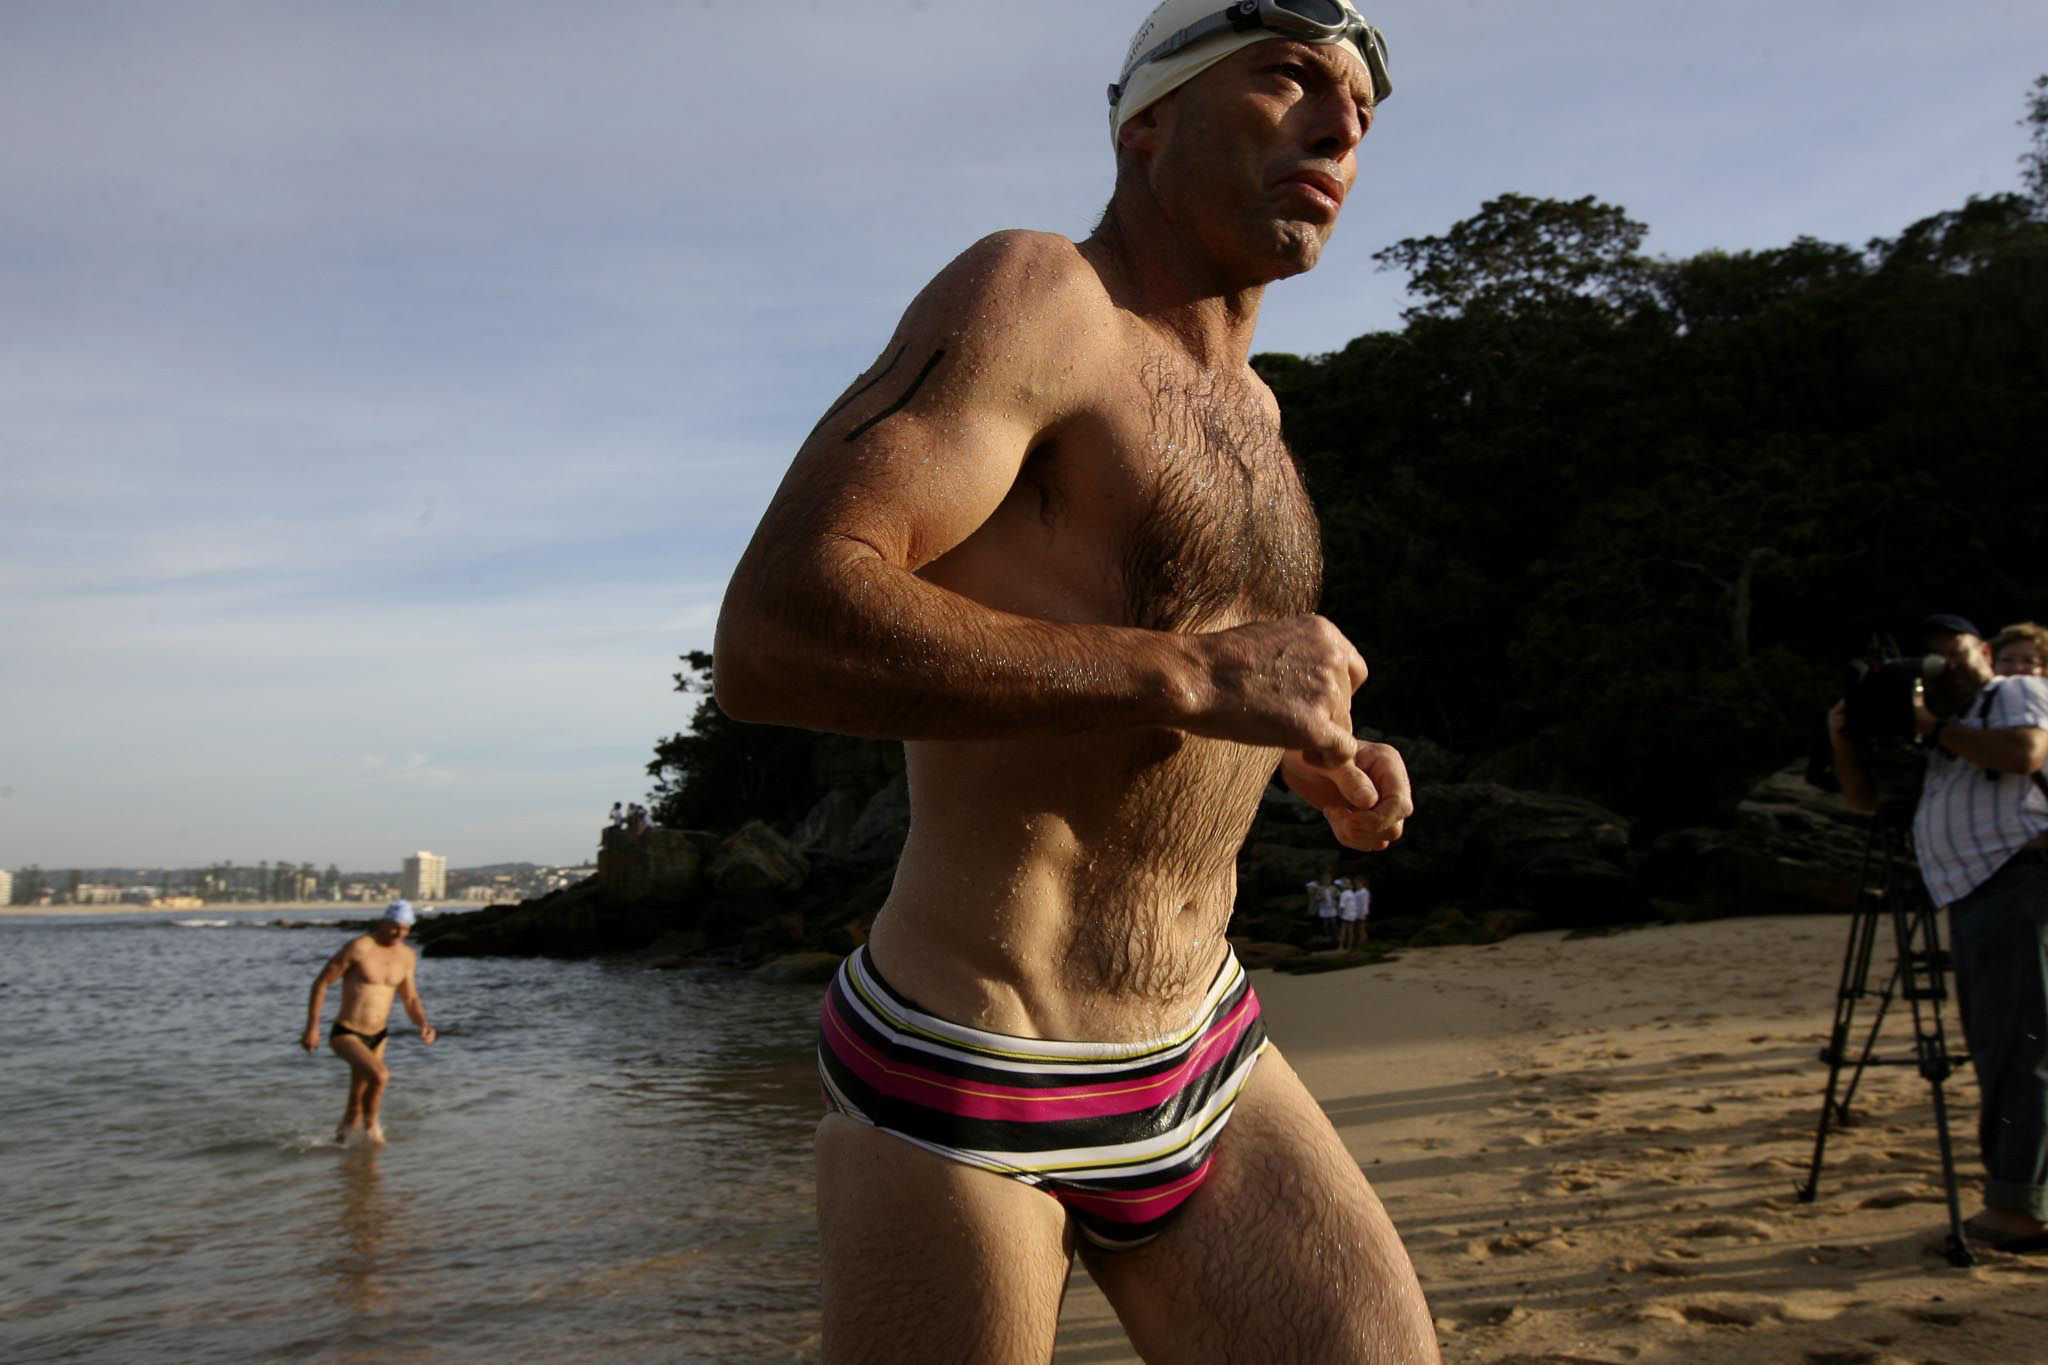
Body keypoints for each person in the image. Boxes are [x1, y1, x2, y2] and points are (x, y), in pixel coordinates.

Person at [713, 2, 1436, 1357]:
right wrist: (1193, 673)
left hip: (1204, 1045)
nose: (1341, 126)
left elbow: (1201, 677)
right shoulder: (1038, 298)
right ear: (1146, 119)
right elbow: (777, 628)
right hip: (974, 1068)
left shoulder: (1259, 417)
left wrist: (1311, 754)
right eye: (1288, 78)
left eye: (1362, 108)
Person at [1827, 613, 2048, 1254]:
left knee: (2018, 1050)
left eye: (1953, 654)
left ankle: (2021, 1213)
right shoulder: (1945, 732)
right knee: (1998, 1048)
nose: (1941, 667)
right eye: (1929, 661)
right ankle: (2021, 1199)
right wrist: (1845, 741)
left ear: (1984, 652)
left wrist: (1934, 726)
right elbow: (1866, 802)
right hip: (1977, 894)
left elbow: (2025, 754)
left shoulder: (2011, 694)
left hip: (2018, 882)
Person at [302, 900, 437, 1146]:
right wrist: (312, 1028)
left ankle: (343, 1148)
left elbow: (410, 997)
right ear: (382, 923)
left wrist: (423, 1025)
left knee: (356, 1101)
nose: (400, 934)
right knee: (381, 1076)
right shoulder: (359, 948)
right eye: (395, 927)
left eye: (406, 929)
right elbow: (320, 984)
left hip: (379, 1036)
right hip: (347, 1032)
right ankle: (373, 1130)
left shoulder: (406, 956)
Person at [1340, 872, 1372, 951]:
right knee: (1358, 928)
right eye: (1355, 883)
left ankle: (1363, 944)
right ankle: (1361, 943)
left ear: (1361, 882)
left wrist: (1364, 912)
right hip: (1356, 912)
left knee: (1362, 928)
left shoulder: (1364, 891)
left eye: (1357, 882)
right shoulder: (1357, 891)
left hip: (1362, 912)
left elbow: (1365, 903)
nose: (1356, 884)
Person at [1309, 870, 1341, 944]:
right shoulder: (1320, 889)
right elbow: (1316, 898)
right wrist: (1320, 898)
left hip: (1332, 908)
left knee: (1333, 922)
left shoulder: (1333, 888)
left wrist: (1336, 898)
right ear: (1322, 880)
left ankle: (1336, 936)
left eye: (1328, 879)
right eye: (1325, 879)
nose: (1327, 880)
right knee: (1325, 923)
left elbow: (1338, 895)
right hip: (1324, 909)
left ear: (1331, 880)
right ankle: (1328, 936)